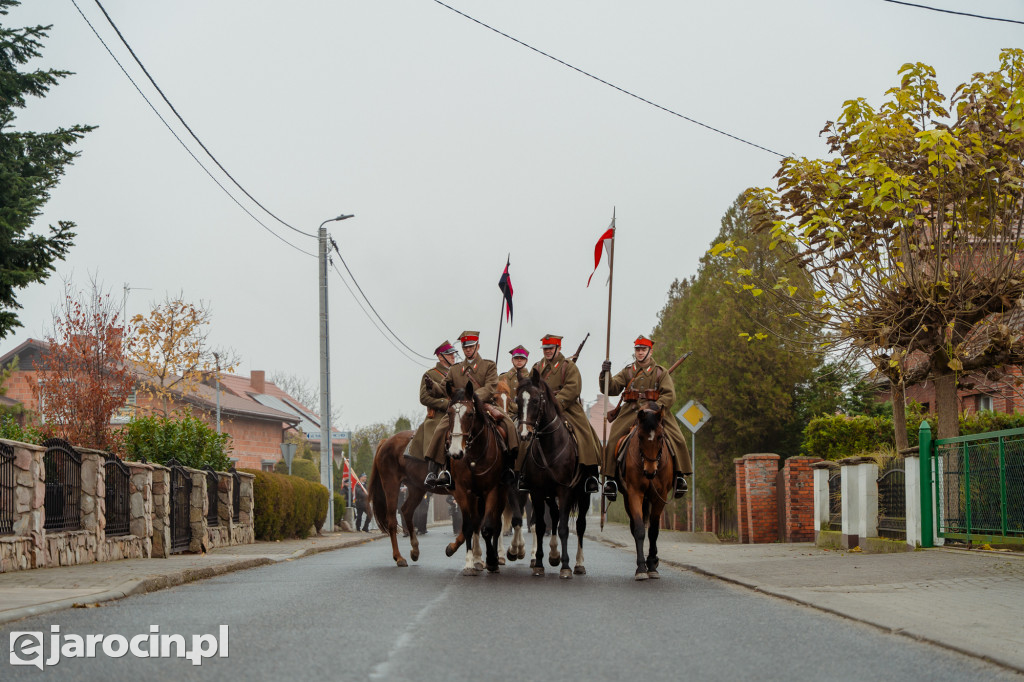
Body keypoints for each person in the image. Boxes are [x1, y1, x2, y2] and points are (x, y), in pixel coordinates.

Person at [599, 334, 691, 499]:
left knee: (678, 439)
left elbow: (670, 395)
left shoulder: (660, 372)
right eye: (638, 349)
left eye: (643, 349)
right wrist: (605, 373)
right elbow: (611, 388)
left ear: (650, 351)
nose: (640, 353)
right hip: (631, 411)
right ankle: (610, 479)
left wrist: (656, 408)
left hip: (655, 412)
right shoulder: (628, 371)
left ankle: (679, 477)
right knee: (613, 439)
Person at [423, 330, 519, 489]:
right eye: (465, 347)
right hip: (460, 408)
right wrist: (432, 387)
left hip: (485, 405)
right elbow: (442, 388)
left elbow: (490, 387)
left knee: (508, 424)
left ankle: (510, 467)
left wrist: (472, 398)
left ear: (477, 346)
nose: (468, 349)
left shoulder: (489, 365)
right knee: (440, 429)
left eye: (471, 346)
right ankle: (436, 471)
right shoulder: (455, 369)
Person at [517, 334, 601, 493]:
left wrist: (554, 403)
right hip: (540, 410)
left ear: (559, 348)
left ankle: (591, 474)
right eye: (545, 349)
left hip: (567, 407)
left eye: (550, 348)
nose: (547, 352)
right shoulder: (537, 367)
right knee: (524, 436)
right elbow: (529, 387)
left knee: (586, 435)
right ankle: (522, 474)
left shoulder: (568, 367)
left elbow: (573, 389)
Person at [408, 341, 458, 460]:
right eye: (449, 354)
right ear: (440, 356)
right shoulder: (430, 374)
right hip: (439, 416)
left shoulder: (457, 374)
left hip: (458, 414)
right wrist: (446, 404)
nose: (453, 356)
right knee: (435, 440)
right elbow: (424, 398)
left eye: (453, 354)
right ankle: (433, 470)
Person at [497, 345, 530, 418]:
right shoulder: (502, 377)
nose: (519, 360)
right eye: (516, 358)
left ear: (526, 361)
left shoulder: (530, 378)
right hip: (505, 414)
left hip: (524, 415)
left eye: (522, 358)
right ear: (512, 360)